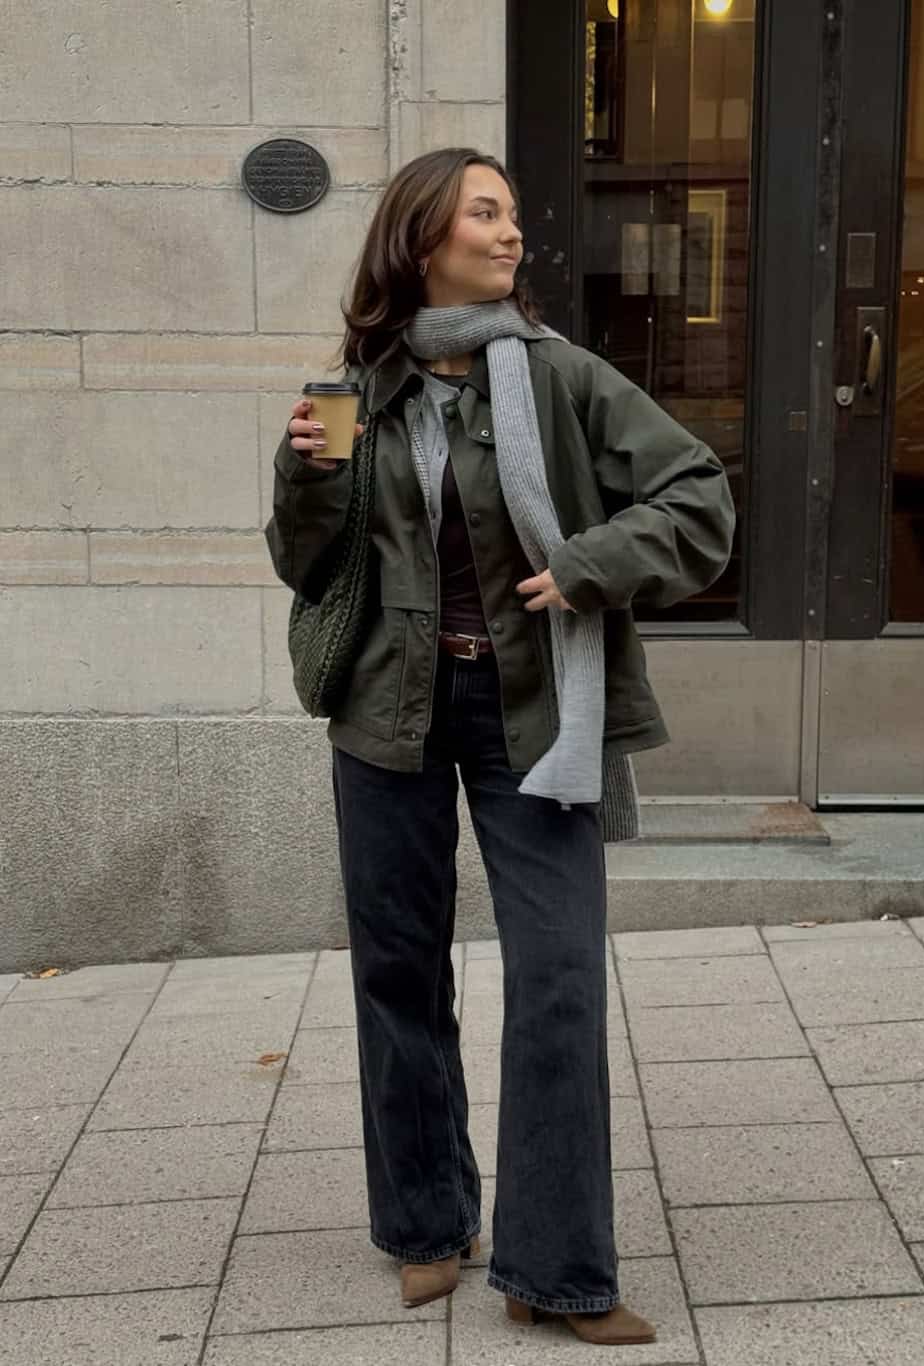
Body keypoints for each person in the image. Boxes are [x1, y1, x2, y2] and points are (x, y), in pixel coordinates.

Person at [265, 146, 735, 1346]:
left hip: (536, 712)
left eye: (513, 215)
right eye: (486, 212)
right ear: (423, 239)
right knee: (398, 971)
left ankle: (557, 1266)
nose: (511, 231)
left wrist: (584, 567)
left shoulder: (561, 377)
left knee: (563, 981)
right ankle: (428, 1226)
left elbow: (696, 499)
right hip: (388, 713)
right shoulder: (352, 390)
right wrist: (304, 477)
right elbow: (306, 565)